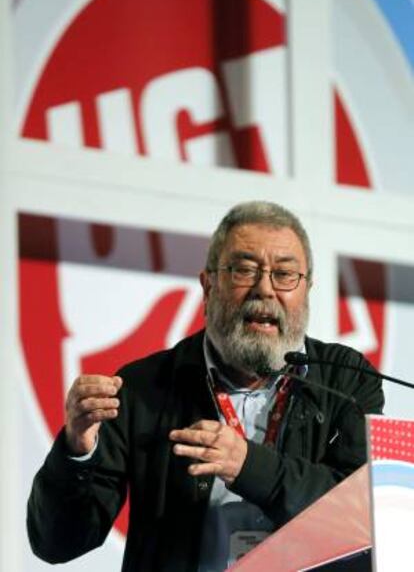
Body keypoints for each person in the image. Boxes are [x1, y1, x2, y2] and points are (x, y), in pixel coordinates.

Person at [27, 201, 384, 572]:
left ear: (306, 289)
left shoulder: (346, 379)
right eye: (244, 270)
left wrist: (248, 465)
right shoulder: (143, 388)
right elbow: (57, 543)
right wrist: (76, 453)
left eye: (284, 274)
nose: (264, 289)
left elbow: (363, 515)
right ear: (208, 284)